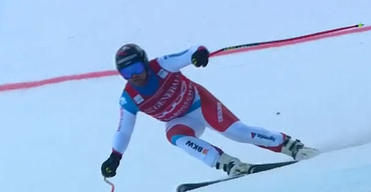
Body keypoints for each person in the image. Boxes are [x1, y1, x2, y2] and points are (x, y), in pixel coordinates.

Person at [100, 43, 319, 179]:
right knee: (175, 137)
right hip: (180, 121)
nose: (135, 75)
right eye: (127, 73)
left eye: (137, 68)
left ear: (145, 63)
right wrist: (115, 157)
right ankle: (227, 163)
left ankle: (291, 146)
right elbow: (124, 131)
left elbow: (191, 52)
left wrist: (199, 56)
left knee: (237, 133)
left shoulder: (162, 66)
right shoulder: (129, 97)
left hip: (199, 104)